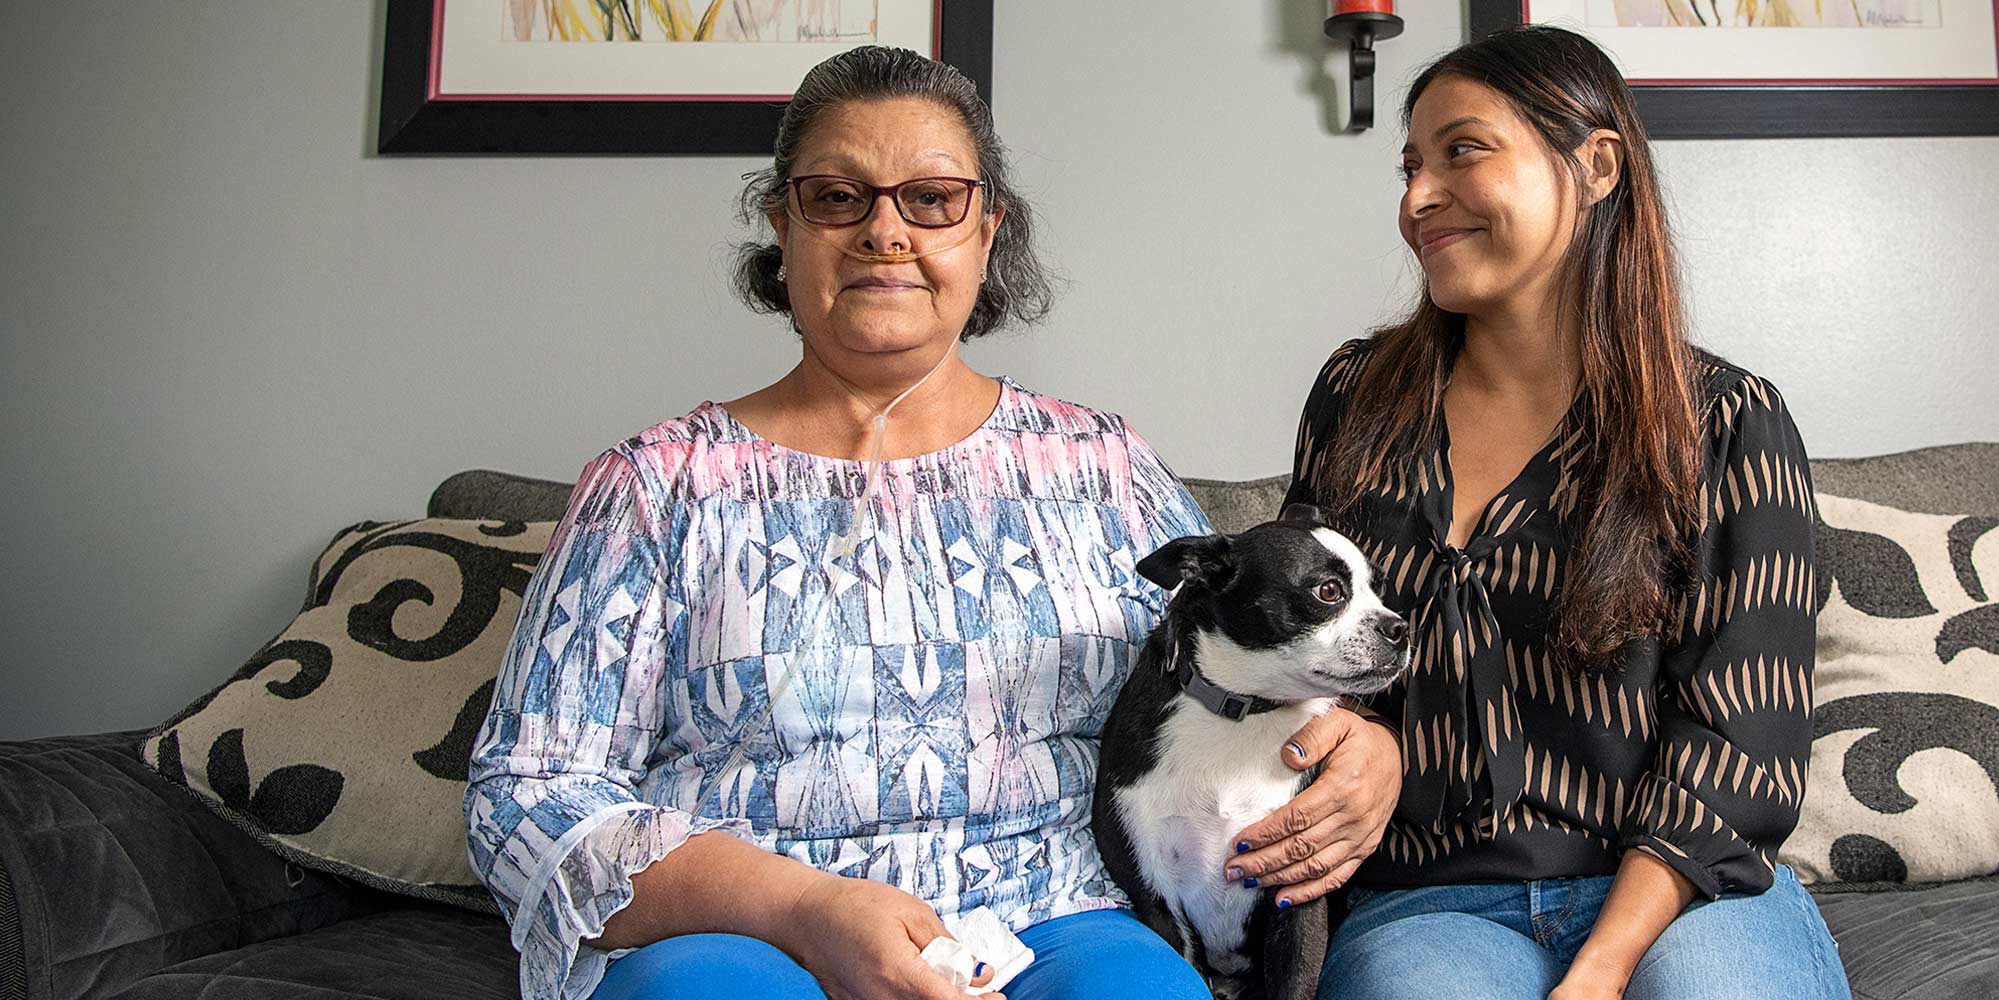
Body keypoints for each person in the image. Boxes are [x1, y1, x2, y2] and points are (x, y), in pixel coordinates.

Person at [462, 46, 1399, 1000]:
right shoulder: (654, 490)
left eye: (933, 199)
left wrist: (1362, 747)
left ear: (988, 231)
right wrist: (802, 909)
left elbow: (1232, 665)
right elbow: (525, 796)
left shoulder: (1101, 469)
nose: (884, 231)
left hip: (1058, 919)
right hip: (743, 939)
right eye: (837, 197)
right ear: (781, 225)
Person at [1278, 26, 1852, 1000]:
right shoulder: (1355, 397)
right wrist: (1354, 728)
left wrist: (1604, 966)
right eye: (1411, 164)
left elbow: (1742, 734)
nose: (1418, 198)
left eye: (1464, 150)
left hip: (1687, 893)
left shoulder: (1724, 420)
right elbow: (1279, 638)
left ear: (1595, 165)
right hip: (1432, 907)